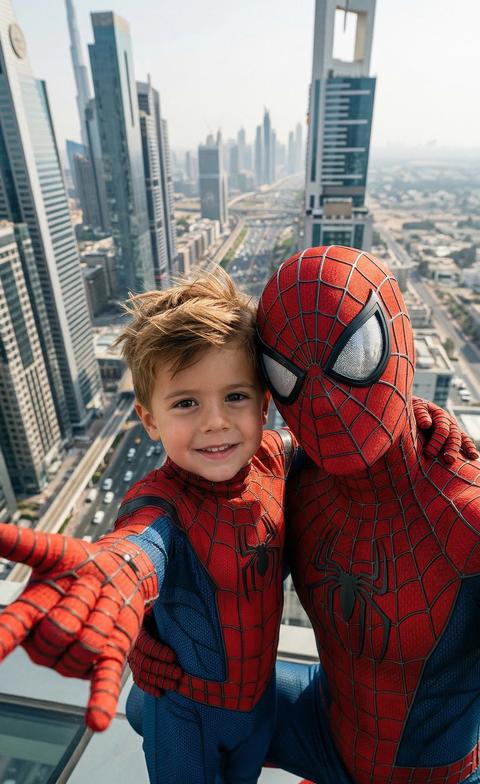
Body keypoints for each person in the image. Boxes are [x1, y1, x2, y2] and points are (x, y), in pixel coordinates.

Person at [128, 246, 480, 784]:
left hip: (428, 774)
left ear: (398, 340)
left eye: (355, 357)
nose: (326, 402)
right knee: (148, 705)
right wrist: (148, 626)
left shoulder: (466, 513)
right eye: (290, 375)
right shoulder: (300, 474)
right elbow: (196, 529)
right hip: (321, 722)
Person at [0, 271, 299, 784]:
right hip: (183, 712)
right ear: (149, 419)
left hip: (259, 702)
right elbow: (137, 548)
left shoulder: (274, 458)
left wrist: (417, 425)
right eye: (186, 402)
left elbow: (342, 436)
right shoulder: (162, 503)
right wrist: (107, 576)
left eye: (235, 397)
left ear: (265, 404)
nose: (215, 422)